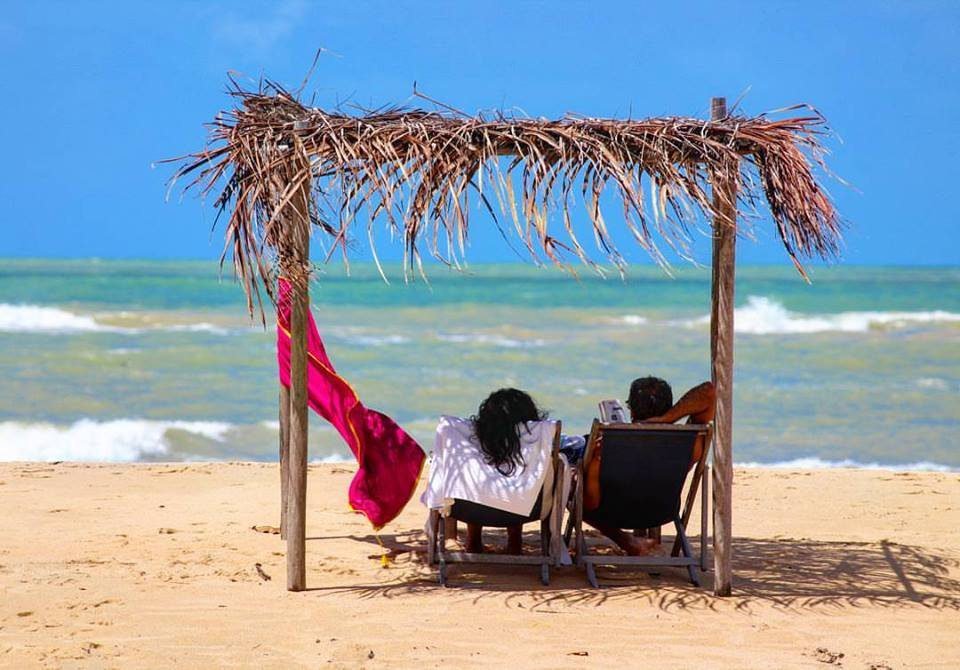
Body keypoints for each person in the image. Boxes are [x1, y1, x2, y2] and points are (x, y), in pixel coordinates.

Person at [582, 376, 715, 556]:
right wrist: (667, 418)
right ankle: (631, 541)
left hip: (611, 512)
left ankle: (625, 540)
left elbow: (590, 502)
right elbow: (709, 391)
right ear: (671, 406)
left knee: (573, 489)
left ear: (631, 410)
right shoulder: (688, 442)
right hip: (663, 510)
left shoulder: (608, 445)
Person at [446, 388, 548, 555]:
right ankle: (515, 541)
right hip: (526, 511)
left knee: (475, 474)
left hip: (468, 510)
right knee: (521, 478)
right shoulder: (539, 439)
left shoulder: (465, 442)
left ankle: (474, 540)